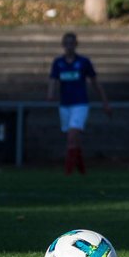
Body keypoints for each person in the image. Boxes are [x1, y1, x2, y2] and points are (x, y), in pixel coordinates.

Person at [47, 31, 111, 175]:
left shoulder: (83, 62)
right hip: (65, 105)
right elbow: (53, 80)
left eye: (72, 43)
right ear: (63, 45)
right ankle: (82, 171)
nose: (69, 46)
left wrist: (105, 102)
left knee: (71, 137)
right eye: (67, 43)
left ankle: (67, 172)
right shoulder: (58, 63)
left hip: (80, 104)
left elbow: (95, 83)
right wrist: (50, 94)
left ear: (76, 45)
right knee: (74, 140)